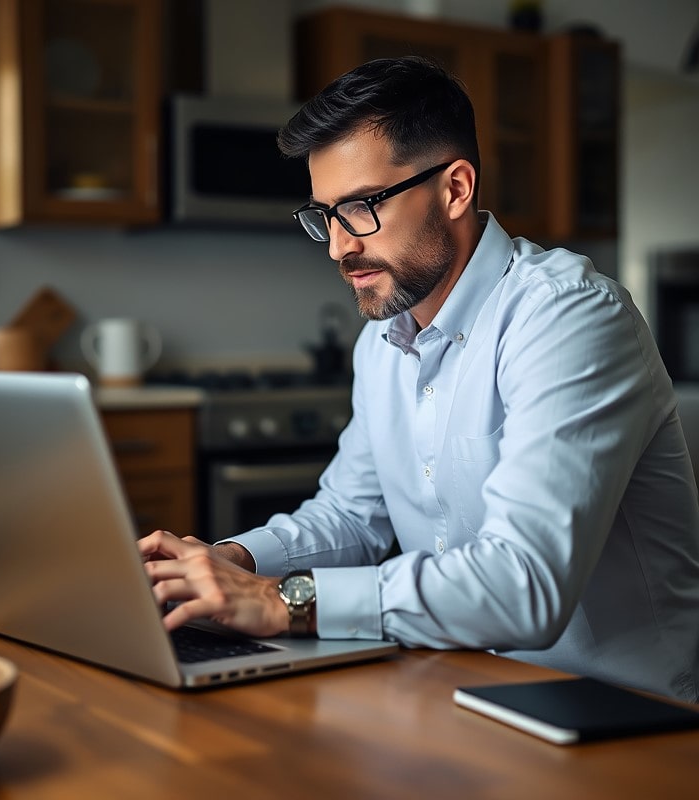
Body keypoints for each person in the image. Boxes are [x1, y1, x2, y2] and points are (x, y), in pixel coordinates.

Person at [139, 56, 699, 702]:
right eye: (325, 215)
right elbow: (352, 516)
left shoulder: (568, 318)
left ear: (456, 189)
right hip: (467, 694)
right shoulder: (382, 341)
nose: (337, 248)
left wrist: (287, 601)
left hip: (626, 724)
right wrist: (230, 563)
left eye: (359, 208)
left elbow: (526, 582)